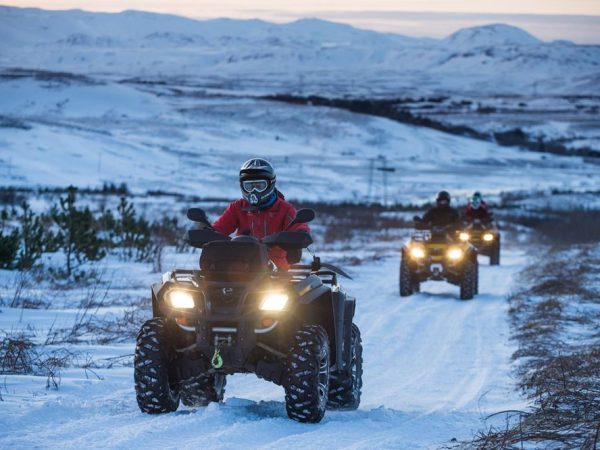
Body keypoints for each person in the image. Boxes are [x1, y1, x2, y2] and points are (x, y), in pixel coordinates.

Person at [211, 158, 310, 269]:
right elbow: (219, 229)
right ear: (242, 186)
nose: (253, 191)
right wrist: (207, 233)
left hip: (275, 271)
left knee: (289, 286)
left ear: (270, 184)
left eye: (259, 186)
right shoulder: (237, 207)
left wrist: (300, 233)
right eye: (249, 186)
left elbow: (297, 225)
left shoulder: (285, 208)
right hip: (241, 268)